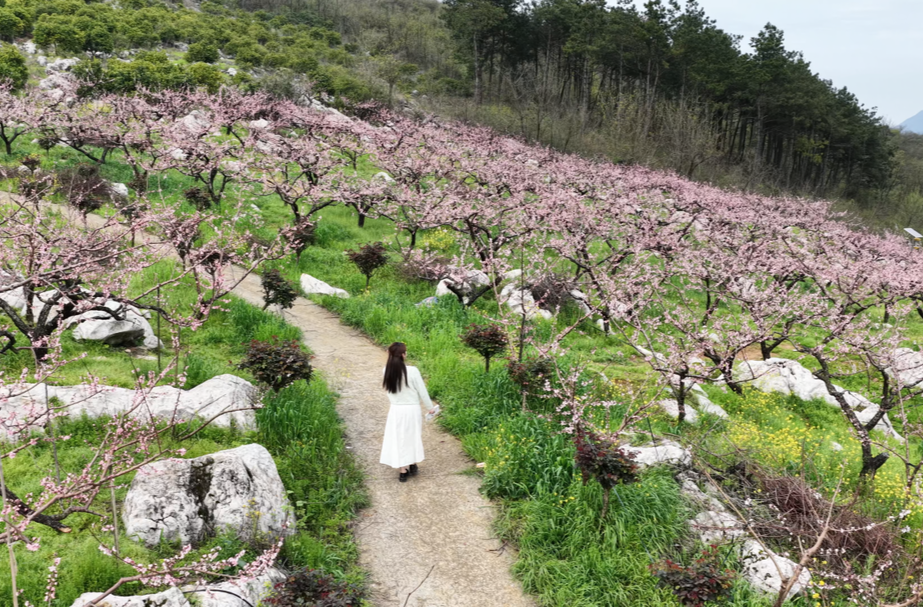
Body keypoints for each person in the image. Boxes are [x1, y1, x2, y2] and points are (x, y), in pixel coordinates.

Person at [380, 342, 436, 482]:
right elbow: (422, 391)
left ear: (389, 354)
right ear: (404, 355)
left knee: (399, 438)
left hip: (396, 410)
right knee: (412, 436)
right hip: (412, 409)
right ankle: (412, 463)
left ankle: (403, 470)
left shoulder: (386, 371)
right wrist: (430, 407)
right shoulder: (412, 371)